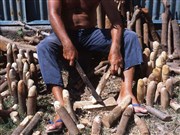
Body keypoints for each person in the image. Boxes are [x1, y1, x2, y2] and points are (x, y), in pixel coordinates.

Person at [37, 0, 147, 133]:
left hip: (91, 34)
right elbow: (54, 14)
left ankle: (126, 92)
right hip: (64, 34)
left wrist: (115, 48)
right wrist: (66, 43)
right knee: (44, 47)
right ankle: (61, 106)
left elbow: (116, 20)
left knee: (130, 37)